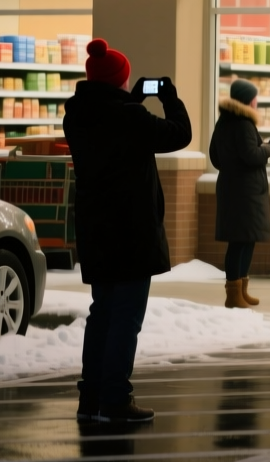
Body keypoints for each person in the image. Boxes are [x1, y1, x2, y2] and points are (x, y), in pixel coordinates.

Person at [62, 39, 192, 424]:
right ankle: (116, 397)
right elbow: (179, 134)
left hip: (96, 229)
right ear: (120, 80)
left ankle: (91, 397)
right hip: (132, 231)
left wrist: (131, 101)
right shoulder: (129, 117)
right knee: (126, 317)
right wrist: (169, 97)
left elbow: (113, 129)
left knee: (102, 312)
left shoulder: (77, 115)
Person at [210, 78, 270, 310]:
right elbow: (252, 155)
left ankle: (240, 290)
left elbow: (215, 157)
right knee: (240, 242)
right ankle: (234, 294)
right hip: (245, 193)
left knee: (244, 240)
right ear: (247, 100)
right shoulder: (243, 123)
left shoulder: (224, 122)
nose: (257, 102)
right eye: (254, 98)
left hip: (231, 188)